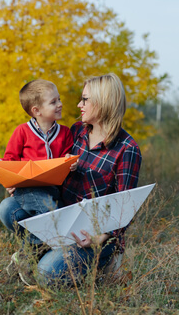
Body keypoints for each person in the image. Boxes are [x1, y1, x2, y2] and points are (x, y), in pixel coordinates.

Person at [32, 73, 142, 286]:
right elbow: (49, 165)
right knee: (9, 207)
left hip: (95, 234)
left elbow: (124, 208)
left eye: (85, 99)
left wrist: (100, 237)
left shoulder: (127, 149)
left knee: (46, 273)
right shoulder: (77, 131)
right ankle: (48, 248)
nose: (78, 104)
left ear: (103, 103)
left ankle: (106, 263)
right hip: (62, 216)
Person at [0, 79, 74, 259]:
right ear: (36, 111)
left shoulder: (65, 133)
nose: (60, 104)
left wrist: (71, 162)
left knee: (50, 207)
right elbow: (10, 161)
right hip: (26, 189)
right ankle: (54, 243)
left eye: (59, 99)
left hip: (53, 191)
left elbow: (67, 162)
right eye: (53, 102)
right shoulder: (22, 132)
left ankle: (30, 252)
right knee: (50, 213)